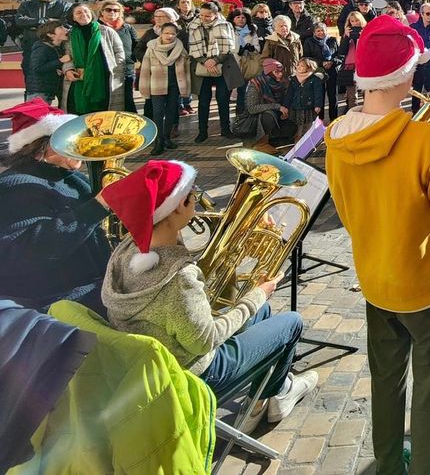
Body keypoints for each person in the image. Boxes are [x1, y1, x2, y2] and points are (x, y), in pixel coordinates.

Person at [323, 15, 430, 475]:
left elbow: (348, 213)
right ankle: (427, 468)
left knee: (385, 382)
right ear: (406, 73)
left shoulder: (335, 139)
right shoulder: (426, 140)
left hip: (375, 277)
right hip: (427, 283)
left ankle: (390, 464)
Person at [100, 159, 317, 426]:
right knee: (291, 322)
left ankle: (268, 396)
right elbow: (205, 341)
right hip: (193, 374)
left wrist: (243, 241)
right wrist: (259, 292)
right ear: (179, 205)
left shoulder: (128, 249)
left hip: (152, 363)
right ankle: (276, 397)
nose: (197, 201)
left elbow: (190, 273)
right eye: (192, 195)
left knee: (265, 312)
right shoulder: (179, 279)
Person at [0, 100, 111, 313]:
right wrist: (98, 206)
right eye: (69, 140)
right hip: (56, 301)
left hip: (94, 287)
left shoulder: (72, 179)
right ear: (39, 146)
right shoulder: (15, 185)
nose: (80, 145)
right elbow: (29, 251)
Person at [187, 2, 238, 142]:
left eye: (208, 16)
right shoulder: (193, 26)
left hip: (223, 65)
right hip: (202, 65)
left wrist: (215, 60)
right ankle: (202, 132)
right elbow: (191, 48)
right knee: (203, 101)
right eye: (201, 15)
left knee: (223, 99)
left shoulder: (225, 25)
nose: (204, 18)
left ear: (215, 15)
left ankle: (225, 129)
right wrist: (205, 61)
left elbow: (230, 46)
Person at [62, 2, 125, 115]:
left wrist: (116, 71)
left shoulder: (106, 31)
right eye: (78, 12)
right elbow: (66, 56)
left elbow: (119, 53)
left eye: (86, 11)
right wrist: (68, 70)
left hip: (104, 79)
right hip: (78, 80)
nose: (83, 14)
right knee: (77, 113)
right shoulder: (69, 35)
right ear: (73, 17)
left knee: (104, 114)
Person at [139, 22, 187, 153]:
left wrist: (185, 86)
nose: (169, 36)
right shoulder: (152, 47)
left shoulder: (180, 47)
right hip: (156, 84)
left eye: (172, 33)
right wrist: (144, 88)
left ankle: (167, 138)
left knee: (172, 112)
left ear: (176, 34)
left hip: (174, 84)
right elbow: (145, 69)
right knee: (158, 113)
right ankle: (158, 141)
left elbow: (186, 68)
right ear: (161, 33)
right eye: (166, 33)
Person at [14, 0, 69, 90]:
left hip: (59, 51)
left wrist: (32, 23)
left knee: (62, 87)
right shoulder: (27, 5)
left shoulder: (65, 6)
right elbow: (19, 21)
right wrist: (45, 21)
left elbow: (66, 23)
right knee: (32, 87)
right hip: (31, 51)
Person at [233, 58, 296, 150]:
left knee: (292, 122)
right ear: (269, 72)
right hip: (256, 117)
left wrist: (285, 109)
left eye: (281, 71)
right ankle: (260, 143)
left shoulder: (284, 82)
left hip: (277, 113)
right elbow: (252, 108)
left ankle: (273, 140)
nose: (280, 74)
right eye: (276, 72)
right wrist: (277, 107)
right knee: (268, 116)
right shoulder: (256, 84)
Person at [98, 0, 137, 112]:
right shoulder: (96, 28)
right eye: (108, 10)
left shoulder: (127, 28)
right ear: (102, 12)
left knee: (128, 100)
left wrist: (132, 60)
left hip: (126, 69)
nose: (112, 12)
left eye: (116, 10)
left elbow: (136, 46)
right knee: (107, 100)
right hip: (105, 70)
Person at [26, 20, 71, 106]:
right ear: (50, 34)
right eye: (60, 27)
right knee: (36, 116)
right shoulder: (42, 48)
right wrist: (60, 61)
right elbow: (37, 68)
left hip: (48, 89)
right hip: (39, 90)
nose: (66, 29)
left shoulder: (56, 47)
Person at [303, 21, 339, 121]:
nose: (320, 33)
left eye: (322, 30)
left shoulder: (332, 40)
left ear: (326, 30)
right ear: (314, 32)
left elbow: (338, 55)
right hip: (317, 71)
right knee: (319, 95)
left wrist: (332, 62)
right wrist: (321, 63)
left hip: (332, 70)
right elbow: (307, 58)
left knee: (333, 95)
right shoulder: (309, 42)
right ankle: (320, 120)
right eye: (318, 31)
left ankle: (334, 118)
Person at [334, 11, 368, 114]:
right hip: (350, 67)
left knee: (366, 95)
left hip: (364, 66)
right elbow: (342, 52)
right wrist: (346, 37)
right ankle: (353, 117)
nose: (355, 23)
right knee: (352, 97)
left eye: (357, 20)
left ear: (361, 20)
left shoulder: (367, 31)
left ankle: (367, 116)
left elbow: (370, 50)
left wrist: (363, 37)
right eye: (352, 21)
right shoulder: (347, 34)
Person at [288, 58, 324, 136]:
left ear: (309, 67)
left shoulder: (315, 79)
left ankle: (309, 138)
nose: (299, 67)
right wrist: (285, 105)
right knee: (298, 125)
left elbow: (318, 93)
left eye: (302, 66)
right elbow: (289, 93)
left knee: (309, 124)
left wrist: (318, 105)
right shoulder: (293, 79)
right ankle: (298, 139)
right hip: (297, 106)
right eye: (298, 65)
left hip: (309, 106)